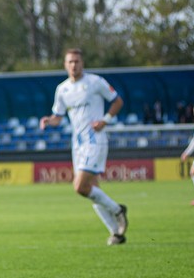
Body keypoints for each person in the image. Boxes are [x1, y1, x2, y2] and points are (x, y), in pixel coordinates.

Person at [40, 48, 129, 245]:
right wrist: (48, 120)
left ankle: (117, 210)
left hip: (95, 139)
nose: (74, 65)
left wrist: (105, 120)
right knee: (92, 188)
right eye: (70, 62)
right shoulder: (62, 89)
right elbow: (58, 116)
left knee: (80, 187)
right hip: (77, 144)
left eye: (77, 61)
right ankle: (116, 233)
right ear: (65, 65)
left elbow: (117, 101)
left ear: (83, 63)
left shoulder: (95, 82)